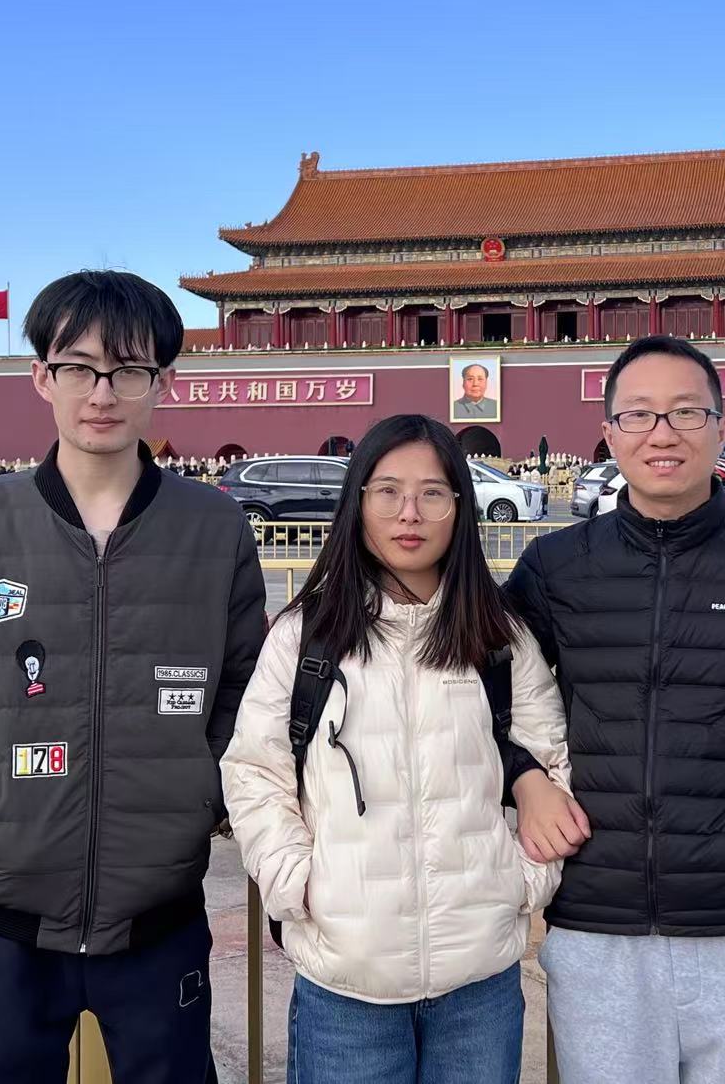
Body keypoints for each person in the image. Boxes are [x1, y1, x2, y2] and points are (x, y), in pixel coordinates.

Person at [0, 269, 266, 1084]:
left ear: (163, 381)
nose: (103, 392)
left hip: (159, 914)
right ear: (42, 376)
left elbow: (246, 688)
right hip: (3, 915)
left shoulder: (214, 528)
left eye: (128, 370)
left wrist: (204, 791)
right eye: (79, 367)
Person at [505, 334, 725, 1084]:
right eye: (638, 414)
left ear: (720, 427)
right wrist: (525, 779)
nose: (662, 433)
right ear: (609, 434)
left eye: (686, 413)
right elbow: (483, 694)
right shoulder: (556, 567)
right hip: (600, 925)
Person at [221, 413, 575, 1083]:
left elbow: (551, 762)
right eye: (387, 491)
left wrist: (518, 883)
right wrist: (298, 884)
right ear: (357, 503)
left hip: (478, 983)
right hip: (345, 983)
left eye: (432, 493)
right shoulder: (307, 636)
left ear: (460, 508)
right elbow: (254, 772)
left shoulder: (499, 638)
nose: (409, 513)